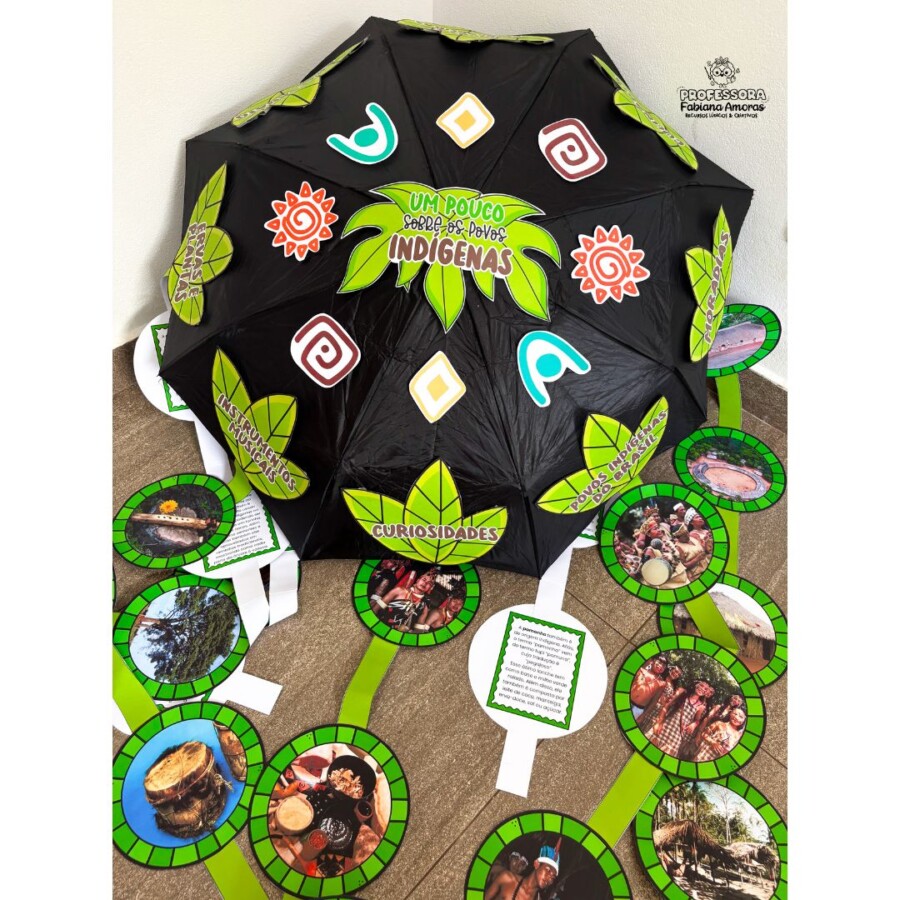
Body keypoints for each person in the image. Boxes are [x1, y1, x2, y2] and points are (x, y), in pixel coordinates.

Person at [646, 680, 712, 758]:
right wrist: (658, 723)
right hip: (664, 727)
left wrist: (694, 724)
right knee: (647, 752)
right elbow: (666, 706)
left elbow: (697, 719)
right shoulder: (682, 692)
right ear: (696, 684)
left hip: (676, 735)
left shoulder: (701, 706)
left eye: (705, 689)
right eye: (701, 685)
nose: (702, 689)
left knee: (662, 758)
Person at [485, 840, 560, 900]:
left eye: (553, 877)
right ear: (536, 864)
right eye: (548, 870)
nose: (549, 878)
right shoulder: (507, 879)